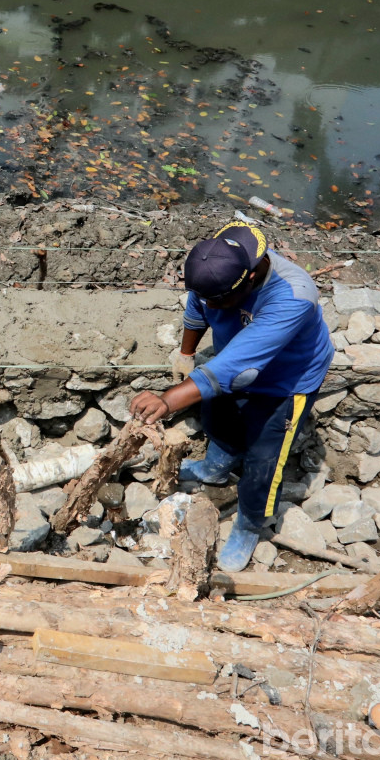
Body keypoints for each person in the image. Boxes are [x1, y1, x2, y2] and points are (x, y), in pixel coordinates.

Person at [128, 221, 334, 572]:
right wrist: (186, 354)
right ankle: (215, 469)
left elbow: (235, 369)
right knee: (218, 418)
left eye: (216, 299)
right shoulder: (218, 264)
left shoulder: (292, 295)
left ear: (249, 281)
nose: (209, 302)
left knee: (262, 460)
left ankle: (251, 524)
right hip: (231, 362)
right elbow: (197, 310)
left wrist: (167, 400)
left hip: (286, 380)